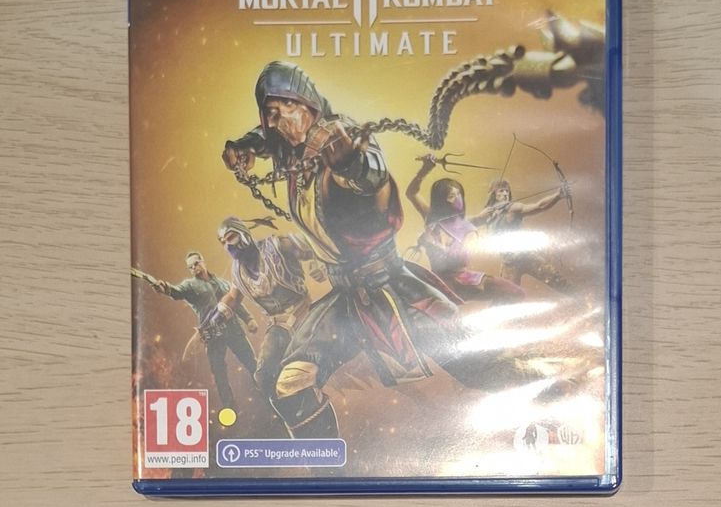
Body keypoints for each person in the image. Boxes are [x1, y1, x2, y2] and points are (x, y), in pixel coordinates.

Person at [223, 62, 528, 437]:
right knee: (289, 386)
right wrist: (243, 146)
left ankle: (554, 392)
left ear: (306, 102)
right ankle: (326, 465)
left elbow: (373, 175)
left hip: (393, 289)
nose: (280, 121)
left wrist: (350, 164)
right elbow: (268, 137)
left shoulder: (342, 136)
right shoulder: (293, 151)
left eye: (286, 107)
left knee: (478, 364)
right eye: (271, 113)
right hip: (345, 298)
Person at [215, 216, 320, 421]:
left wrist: (318, 264)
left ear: (244, 233)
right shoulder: (238, 272)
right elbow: (233, 296)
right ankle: (295, 419)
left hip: (306, 314)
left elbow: (314, 245)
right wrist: (217, 314)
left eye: (231, 237)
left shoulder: (278, 245)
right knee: (263, 377)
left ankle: (312, 405)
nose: (228, 245)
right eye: (223, 242)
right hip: (279, 326)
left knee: (304, 368)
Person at [405, 155, 524, 302]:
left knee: (515, 292)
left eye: (459, 194)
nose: (458, 199)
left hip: (463, 280)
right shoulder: (432, 218)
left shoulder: (467, 226)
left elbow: (461, 258)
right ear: (441, 201)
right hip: (438, 282)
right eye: (451, 196)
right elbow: (411, 193)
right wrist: (425, 169)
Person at [151, 251, 258, 409]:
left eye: (196, 263)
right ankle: (230, 408)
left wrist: (249, 319)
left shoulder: (222, 283)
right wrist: (164, 288)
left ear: (202, 261)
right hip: (212, 334)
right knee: (219, 373)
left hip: (233, 329)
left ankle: (267, 391)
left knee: (251, 361)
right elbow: (176, 291)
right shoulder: (190, 285)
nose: (194, 268)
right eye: (190, 267)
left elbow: (235, 302)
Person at [471, 180, 570, 292]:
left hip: (526, 257)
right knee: (507, 295)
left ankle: (581, 298)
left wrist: (557, 196)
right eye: (501, 191)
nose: (505, 194)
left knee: (558, 281)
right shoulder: (488, 214)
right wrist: (479, 216)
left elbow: (539, 206)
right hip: (508, 263)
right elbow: (466, 224)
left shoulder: (513, 208)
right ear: (494, 194)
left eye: (507, 191)